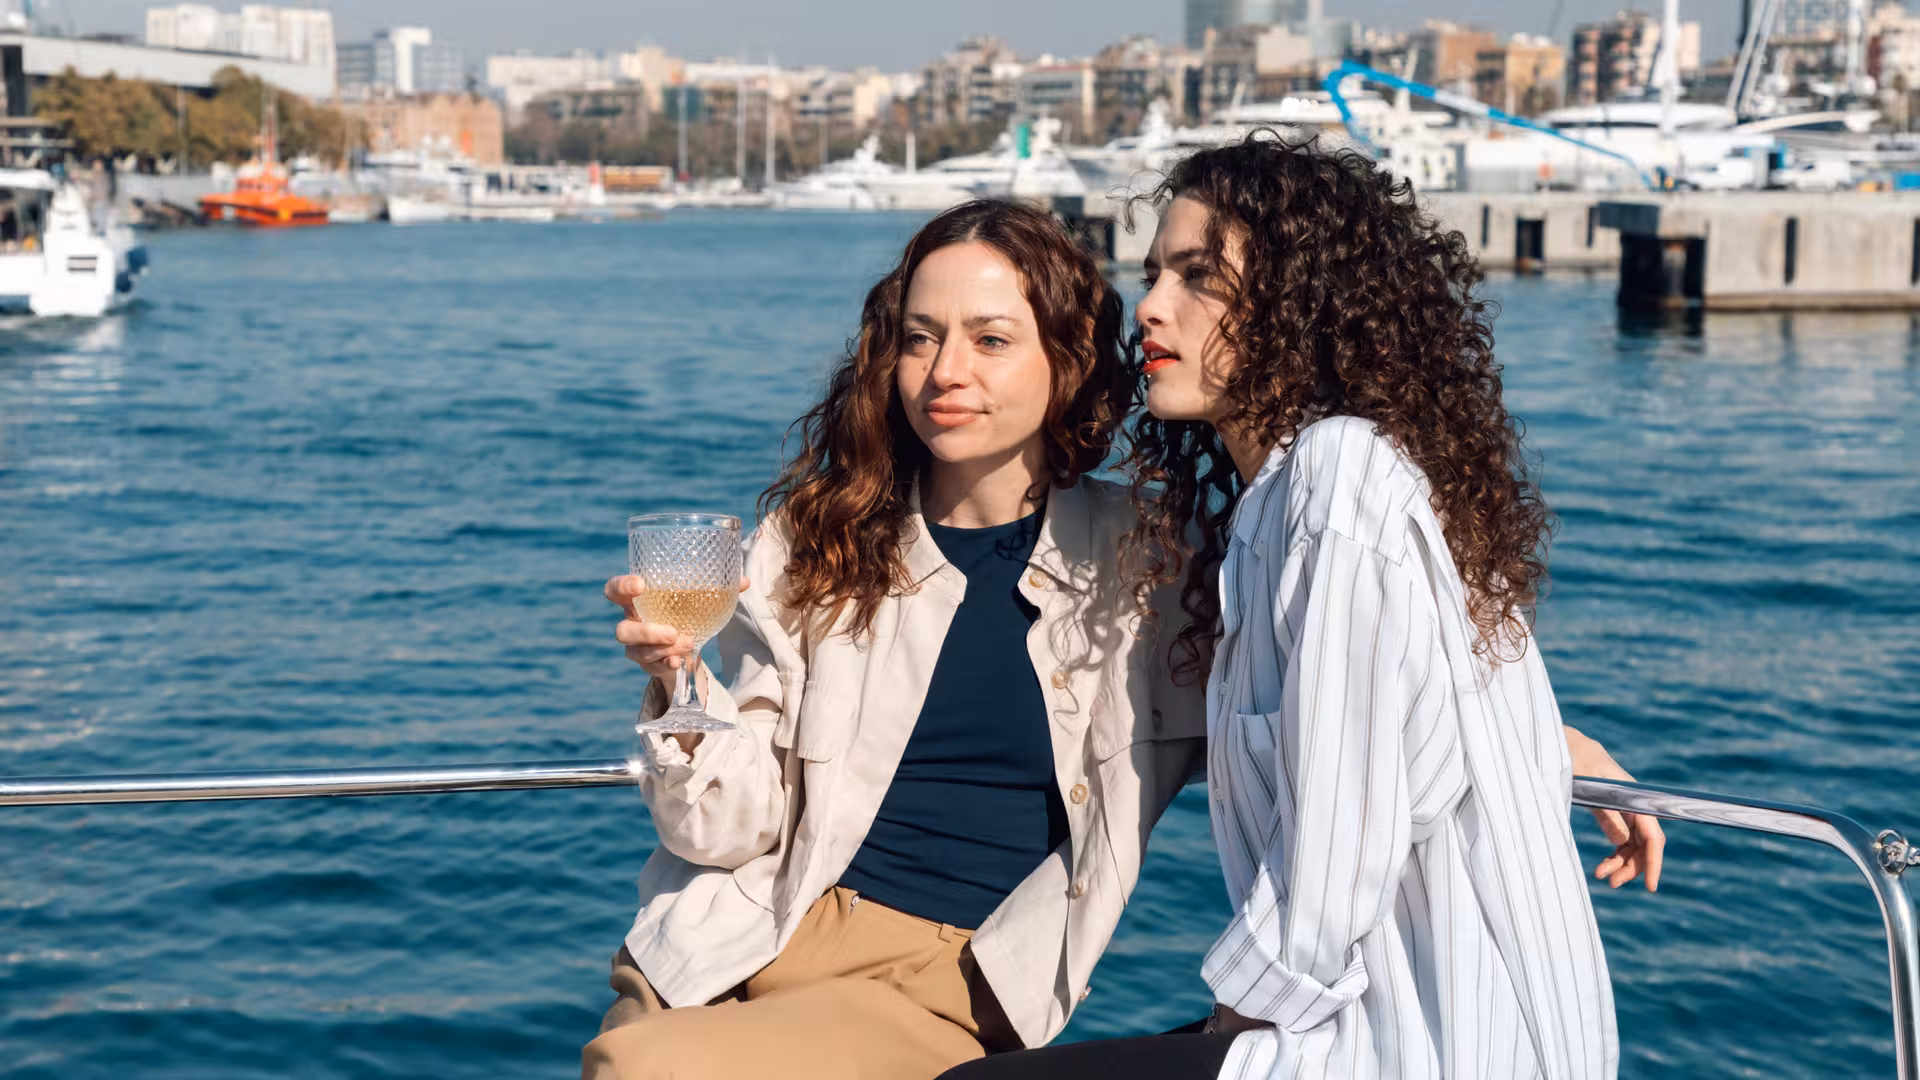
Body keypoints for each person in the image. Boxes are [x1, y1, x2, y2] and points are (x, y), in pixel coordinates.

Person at [938, 137, 1656, 1080]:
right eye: (1155, 273)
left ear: (1297, 305)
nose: (1150, 306)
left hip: (1420, 1046)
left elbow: (1336, 860)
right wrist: (1554, 744)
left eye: (1200, 277)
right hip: (1364, 1027)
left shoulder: (1337, 478)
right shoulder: (1286, 501)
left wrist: (1231, 1020)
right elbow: (1417, 699)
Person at [581, 200, 1210, 1080]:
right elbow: (724, 835)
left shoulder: (1155, 563)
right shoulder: (811, 541)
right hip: (738, 935)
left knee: (641, 1073)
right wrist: (681, 685)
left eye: (990, 340)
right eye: (920, 338)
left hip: (939, 980)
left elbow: (1279, 760)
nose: (944, 371)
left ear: (1066, 362)